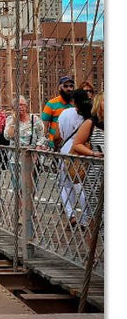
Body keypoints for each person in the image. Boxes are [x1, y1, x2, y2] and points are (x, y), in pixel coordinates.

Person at [58, 93, 95, 226]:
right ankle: (86, 218)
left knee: (65, 185)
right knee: (83, 186)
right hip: (83, 152)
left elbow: (61, 133)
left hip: (66, 151)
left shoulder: (65, 113)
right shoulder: (91, 116)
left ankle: (71, 214)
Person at [67, 93, 104, 226]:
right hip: (96, 175)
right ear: (99, 105)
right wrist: (93, 153)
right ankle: (94, 245)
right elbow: (77, 144)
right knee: (95, 215)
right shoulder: (91, 123)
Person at [42, 76, 75, 150]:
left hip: (73, 144)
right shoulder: (51, 104)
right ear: (60, 88)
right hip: (54, 145)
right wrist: (44, 143)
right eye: (65, 86)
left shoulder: (77, 104)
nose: (69, 88)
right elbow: (44, 126)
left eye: (71, 86)